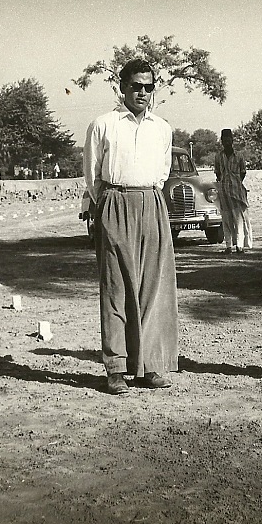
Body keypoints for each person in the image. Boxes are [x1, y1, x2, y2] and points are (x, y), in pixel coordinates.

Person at [83, 58, 179, 395]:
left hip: (151, 203)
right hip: (114, 203)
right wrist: (108, 205)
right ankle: (116, 368)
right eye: (135, 85)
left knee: (153, 287)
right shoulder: (103, 125)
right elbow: (93, 175)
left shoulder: (161, 127)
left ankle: (149, 366)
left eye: (148, 87)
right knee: (116, 288)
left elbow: (163, 172)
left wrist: (146, 199)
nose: (142, 92)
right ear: (121, 86)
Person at [214, 128, 252, 253]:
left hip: (237, 192)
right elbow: (218, 173)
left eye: (228, 139)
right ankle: (228, 246)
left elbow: (243, 173)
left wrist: (235, 183)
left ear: (232, 140)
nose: (226, 142)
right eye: (224, 140)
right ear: (221, 141)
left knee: (238, 219)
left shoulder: (239, 156)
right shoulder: (218, 156)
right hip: (224, 191)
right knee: (226, 219)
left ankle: (239, 246)